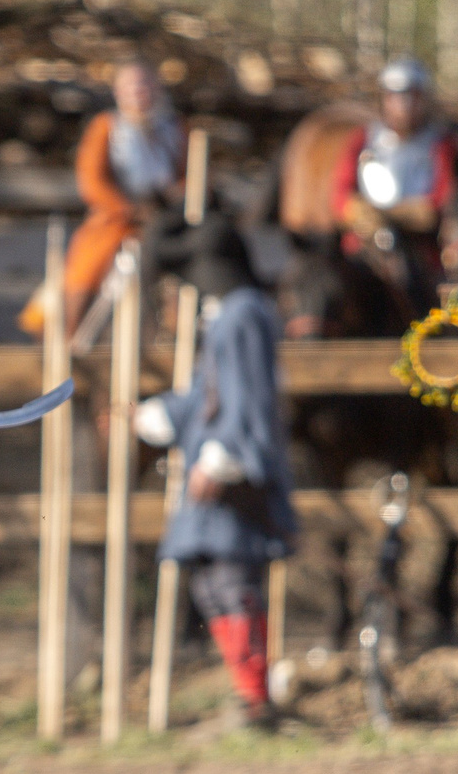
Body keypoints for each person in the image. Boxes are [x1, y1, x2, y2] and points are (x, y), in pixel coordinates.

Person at [135, 212, 299, 730]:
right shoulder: (226, 317)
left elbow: (249, 401)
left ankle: (256, 701)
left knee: (232, 581)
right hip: (215, 465)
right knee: (211, 585)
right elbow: (208, 396)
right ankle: (247, 692)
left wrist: (219, 459)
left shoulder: (245, 315)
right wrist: (157, 414)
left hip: (234, 473)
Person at [21, 59, 186, 339]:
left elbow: (188, 174)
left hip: (165, 218)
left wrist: (172, 200)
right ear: (119, 91)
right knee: (86, 269)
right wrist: (128, 209)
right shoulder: (107, 127)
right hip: (117, 218)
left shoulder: (174, 129)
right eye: (131, 86)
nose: (139, 92)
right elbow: (92, 181)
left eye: (144, 85)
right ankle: (69, 336)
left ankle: (173, 334)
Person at [327, 55, 456, 250]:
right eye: (396, 97)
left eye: (413, 97)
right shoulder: (364, 138)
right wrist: (357, 211)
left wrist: (394, 215)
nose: (404, 106)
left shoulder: (440, 144)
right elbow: (340, 194)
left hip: (418, 249)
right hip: (363, 245)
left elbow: (441, 200)